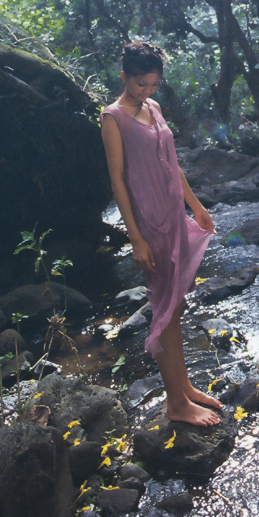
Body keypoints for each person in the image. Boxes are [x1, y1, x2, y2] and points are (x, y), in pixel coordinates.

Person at [101, 41, 222, 427]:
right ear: (124, 76)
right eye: (140, 84)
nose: (146, 91)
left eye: (153, 84)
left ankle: (183, 387)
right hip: (149, 221)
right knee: (165, 309)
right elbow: (118, 181)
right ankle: (176, 404)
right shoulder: (113, 118)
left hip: (173, 215)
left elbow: (172, 163)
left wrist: (195, 206)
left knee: (176, 304)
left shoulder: (153, 107)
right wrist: (135, 238)